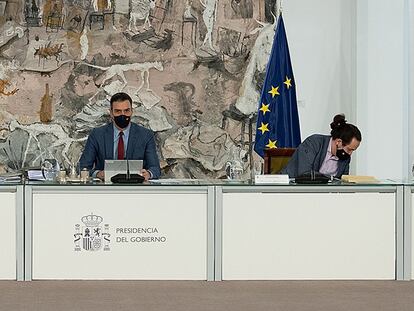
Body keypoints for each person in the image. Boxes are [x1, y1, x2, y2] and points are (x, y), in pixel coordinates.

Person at [79, 92, 161, 181]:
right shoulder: (97, 134)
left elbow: (155, 168)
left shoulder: (145, 135)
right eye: (118, 111)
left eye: (126, 111)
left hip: (136, 188)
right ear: (111, 113)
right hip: (105, 189)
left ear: (132, 111)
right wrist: (98, 174)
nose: (123, 115)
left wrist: (148, 174)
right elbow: (82, 167)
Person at [281, 114, 361, 178]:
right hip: (292, 191)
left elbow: (343, 181)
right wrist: (330, 179)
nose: (350, 154)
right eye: (350, 149)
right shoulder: (313, 143)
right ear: (339, 142)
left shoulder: (345, 157)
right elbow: (304, 175)